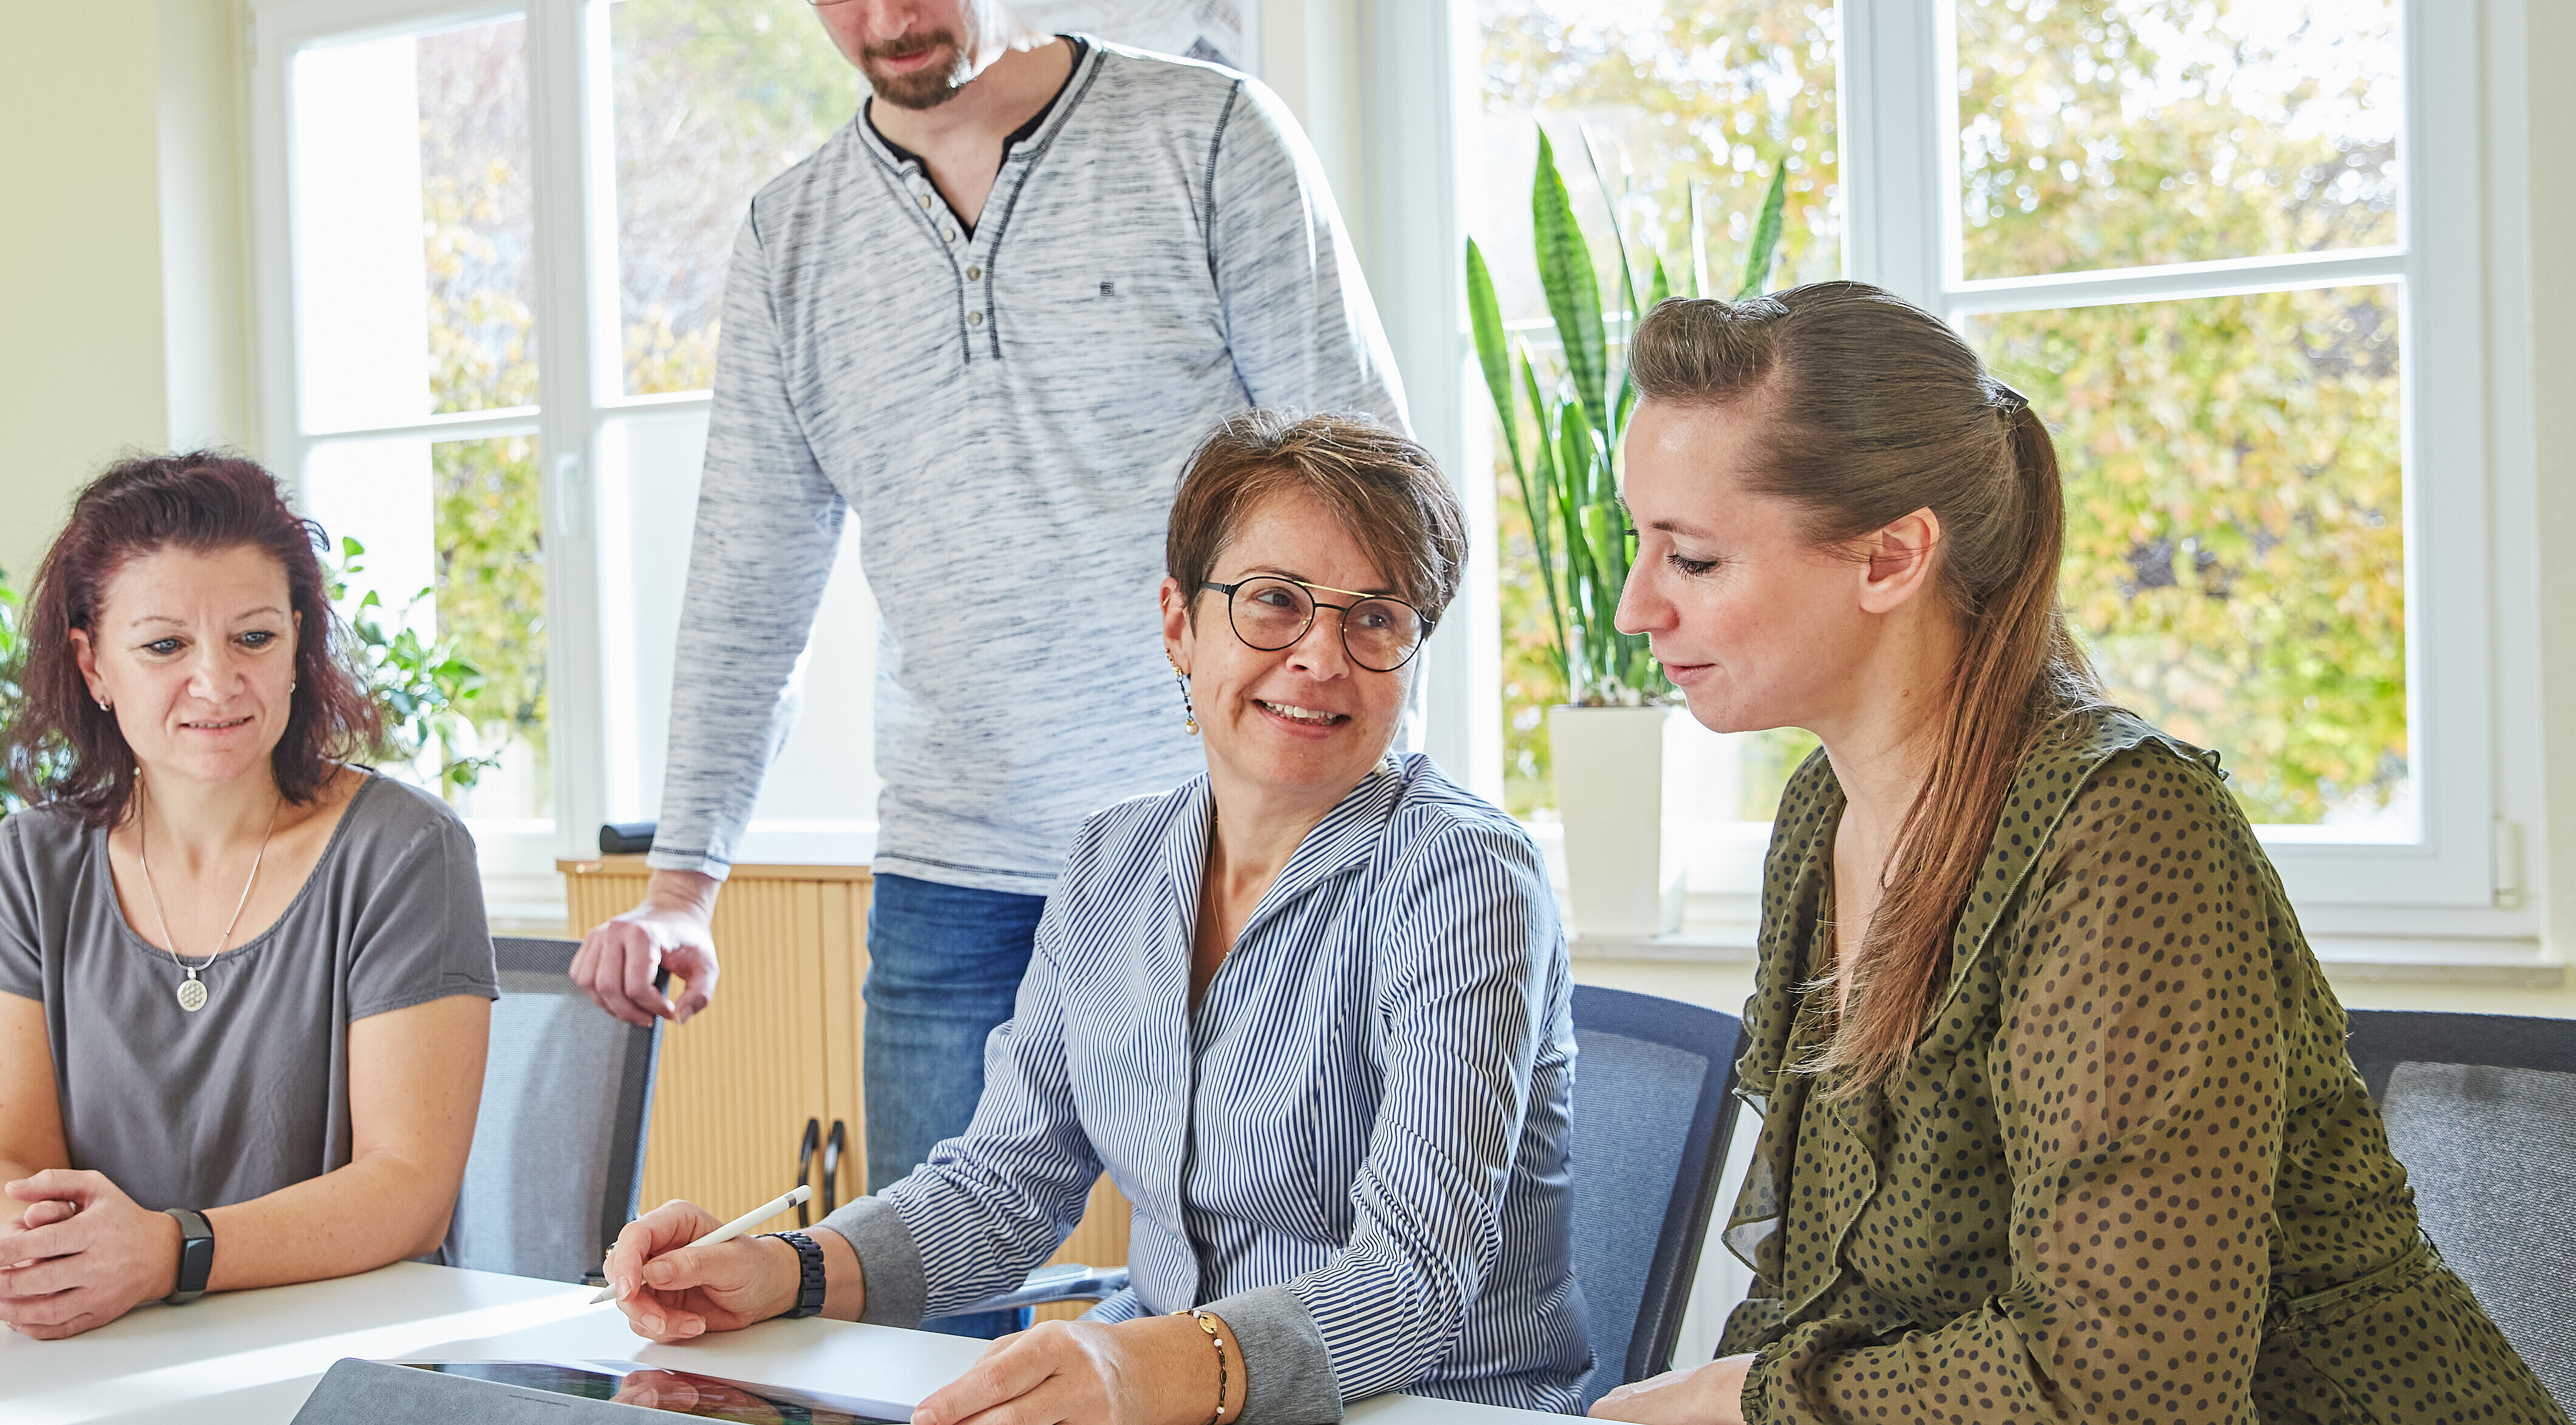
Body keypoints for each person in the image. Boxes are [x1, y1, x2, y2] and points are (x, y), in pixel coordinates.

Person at [1588, 283, 2559, 1424]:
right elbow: (1819, 1298)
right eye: (1640, 547)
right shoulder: (1819, 815)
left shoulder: (2126, 834)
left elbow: (2129, 1386)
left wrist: (1755, 1400)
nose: (1633, 607)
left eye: (1692, 560)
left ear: (1892, 557)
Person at [567, 0, 1407, 1240]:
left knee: (1272, 1302)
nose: (889, 17)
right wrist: (683, 885)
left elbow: (1369, 492)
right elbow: (751, 576)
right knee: (923, 1307)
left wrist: (1350, 819)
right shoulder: (791, 238)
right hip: (954, 877)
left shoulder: (1209, 133)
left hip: (1236, 839)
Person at [600, 411, 1592, 1420]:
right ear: (1179, 623)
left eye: (1375, 617)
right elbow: (1002, 1185)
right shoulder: (1110, 862)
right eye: (1274, 602)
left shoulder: (1466, 876)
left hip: (1426, 1406)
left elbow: (1410, 1284)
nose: (1321, 656)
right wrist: (786, 1267)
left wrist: (1140, 1367)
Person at [0, 453, 498, 1340]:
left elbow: (409, 1192)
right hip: (104, 1349)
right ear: (93, 663)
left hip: (345, 1356)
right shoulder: (31, 862)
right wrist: (52, 1259)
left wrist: (165, 1252)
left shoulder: (406, 853)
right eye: (165, 645)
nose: (216, 681)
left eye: (253, 637)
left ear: (297, 640)